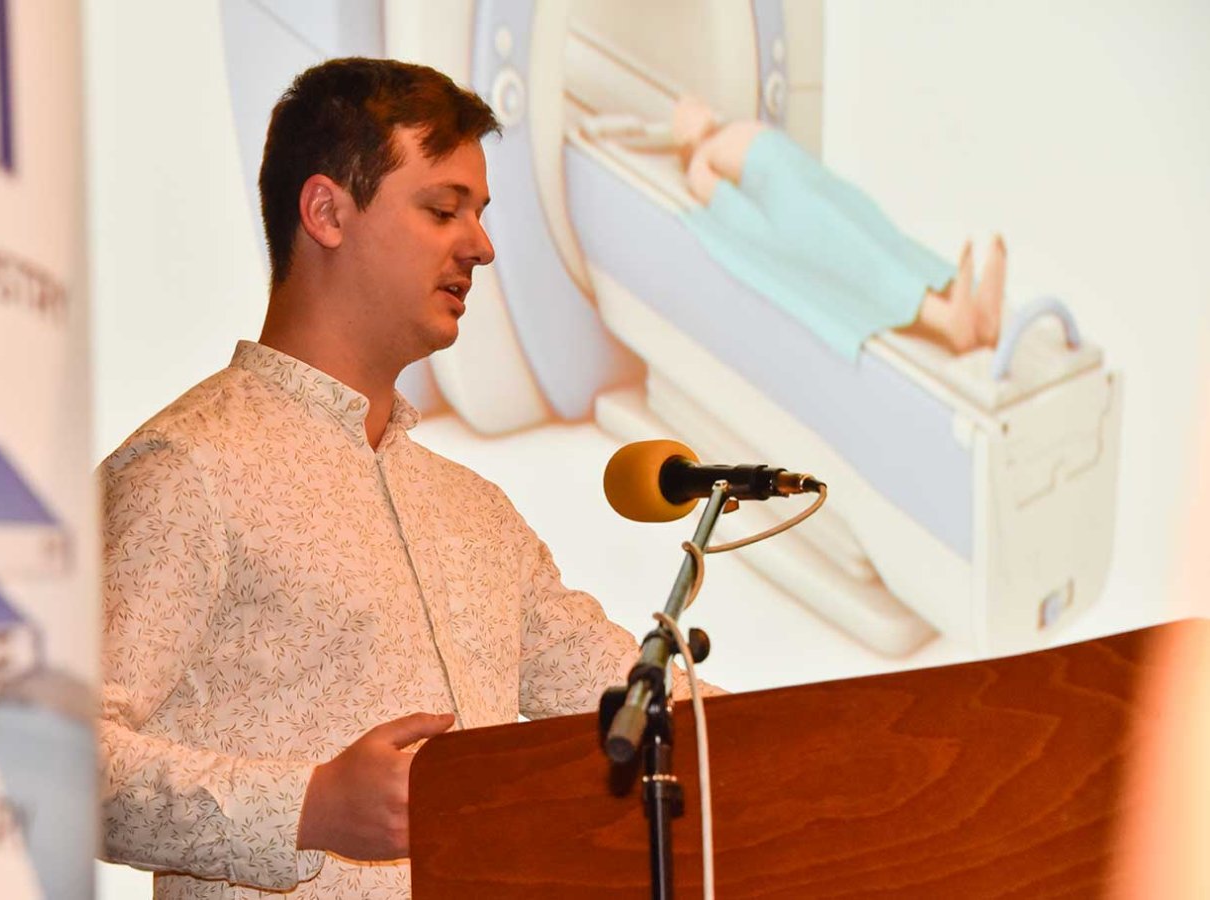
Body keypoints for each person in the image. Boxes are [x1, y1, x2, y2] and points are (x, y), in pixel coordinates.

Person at [97, 58, 696, 898]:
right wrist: (306, 807)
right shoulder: (188, 467)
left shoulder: (476, 514)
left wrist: (839, 741)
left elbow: (644, 707)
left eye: (480, 215)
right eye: (443, 209)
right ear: (326, 212)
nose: (481, 246)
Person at [589, 97, 1007, 357]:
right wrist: (775, 236)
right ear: (681, 137)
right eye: (685, 112)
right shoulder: (702, 159)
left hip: (818, 186)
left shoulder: (731, 129)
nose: (695, 106)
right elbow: (730, 209)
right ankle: (946, 320)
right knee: (863, 260)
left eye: (695, 103)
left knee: (882, 235)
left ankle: (975, 308)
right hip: (796, 210)